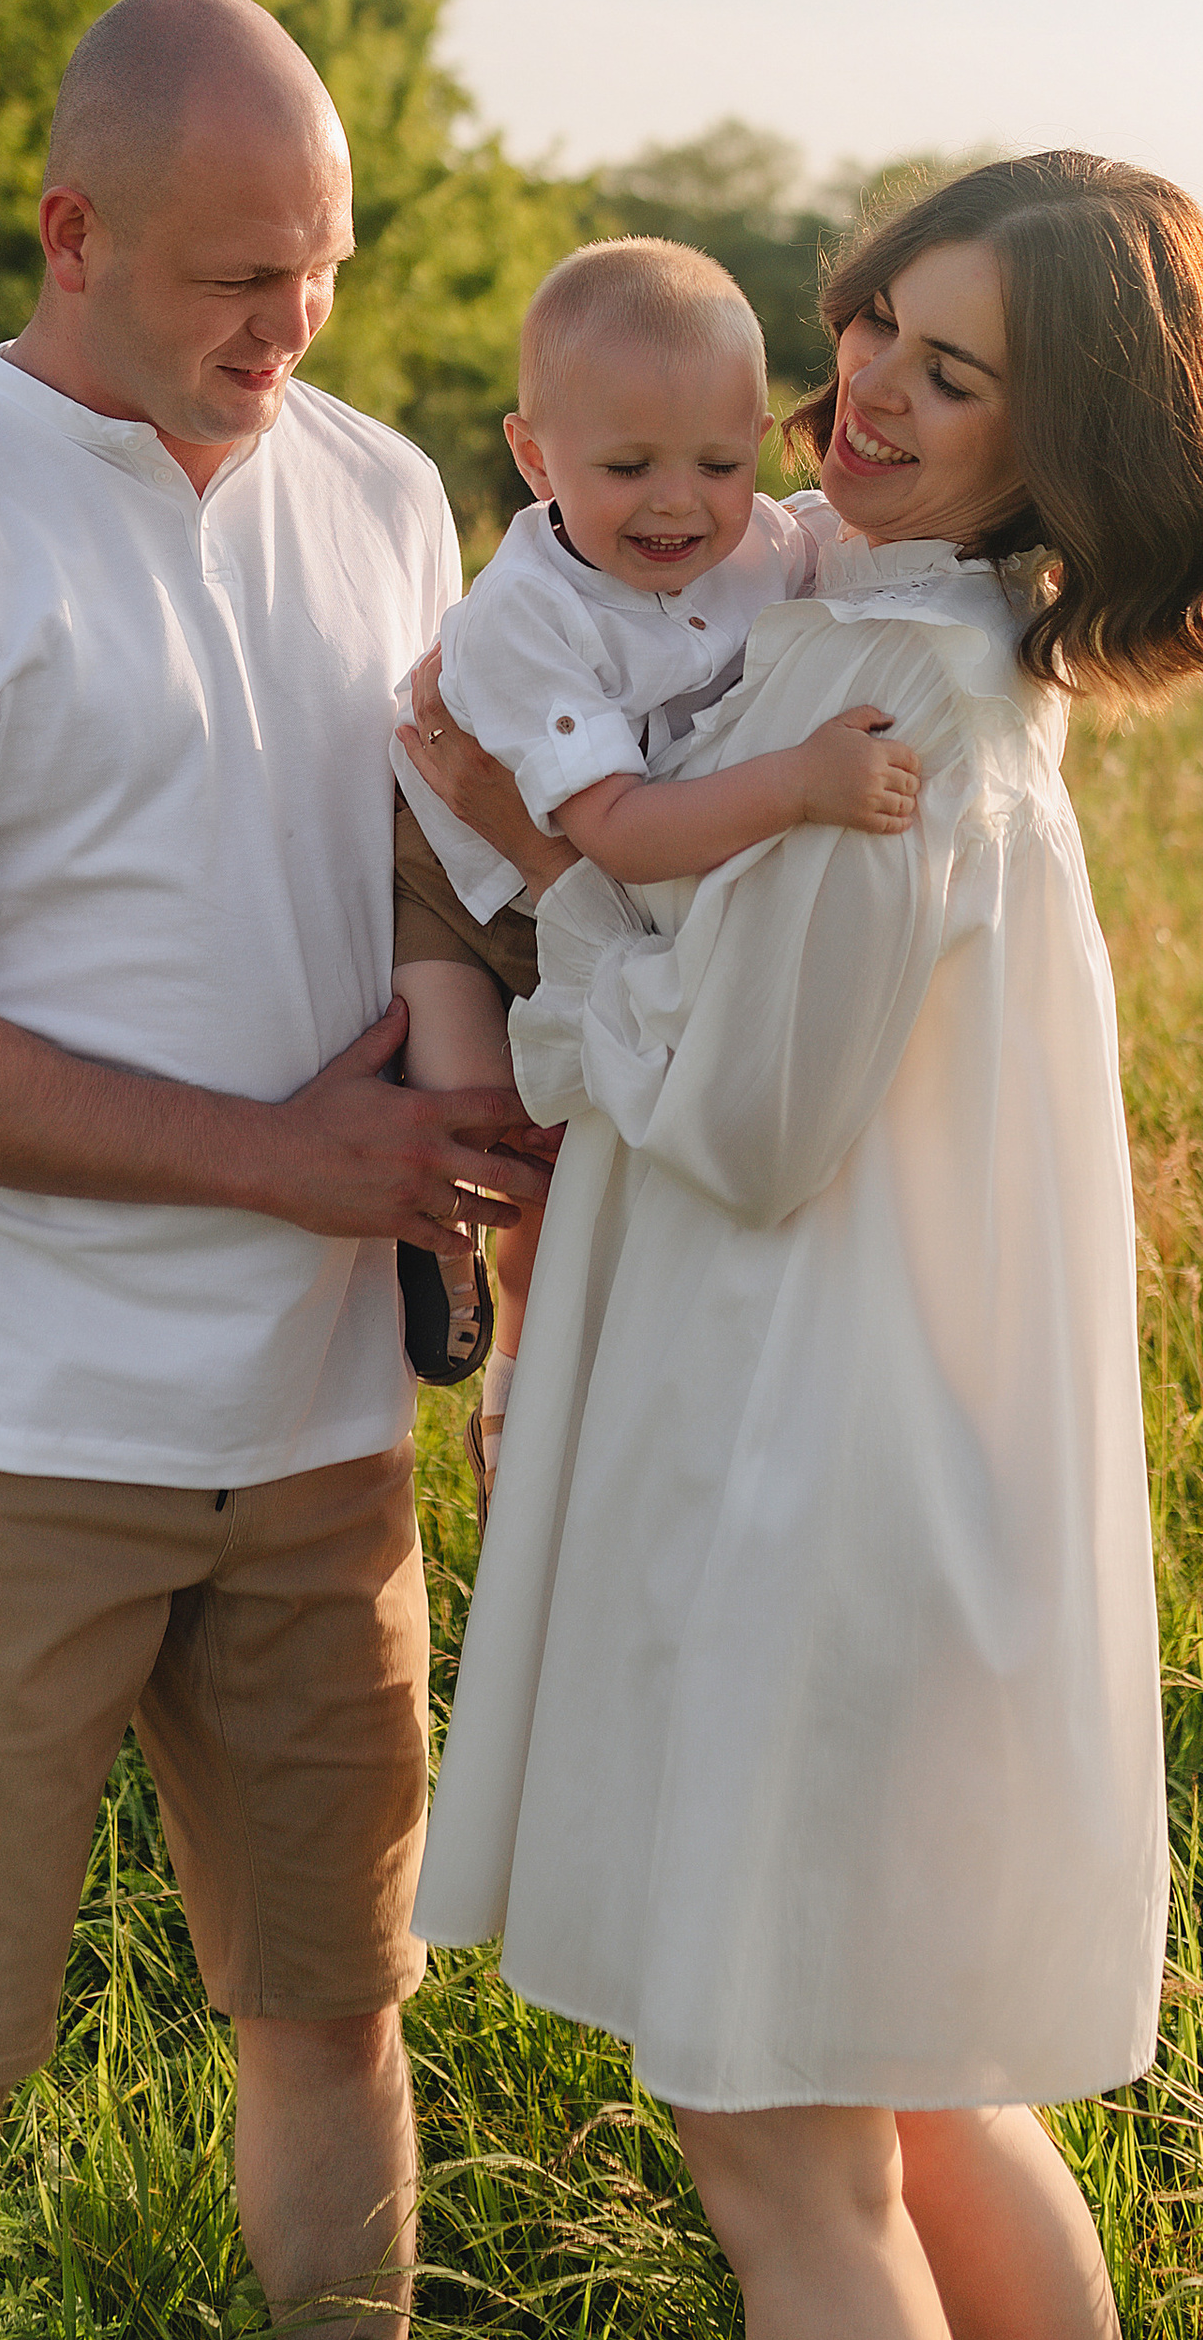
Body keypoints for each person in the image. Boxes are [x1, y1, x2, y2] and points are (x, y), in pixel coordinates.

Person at [410, 152, 1203, 2340]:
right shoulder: (954, 643)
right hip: (895, 1464)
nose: (867, 391)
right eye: (879, 321)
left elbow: (743, 1110)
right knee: (912, 2098)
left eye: (953, 369)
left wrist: (542, 858)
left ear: (1055, 441)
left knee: (782, 2147)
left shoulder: (877, 685)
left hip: (795, 1503)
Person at [0, 0, 551, 2340]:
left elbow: (455, 895)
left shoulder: (389, 495)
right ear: (70, 232)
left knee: (334, 2008)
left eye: (321, 264)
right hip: (4, 1424)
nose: (289, 324)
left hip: (319, 1430)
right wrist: (286, 1161)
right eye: (234, 277)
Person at [390, 234, 923, 1504]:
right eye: (625, 468)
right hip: (454, 884)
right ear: (534, 457)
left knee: (568, 1166)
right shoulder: (529, 613)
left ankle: (525, 1381)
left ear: (757, 440)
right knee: (489, 1138)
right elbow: (614, 831)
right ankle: (455, 1285)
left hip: (567, 882)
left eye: (718, 464)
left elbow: (857, 556)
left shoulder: (762, 544)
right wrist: (797, 780)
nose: (677, 504)